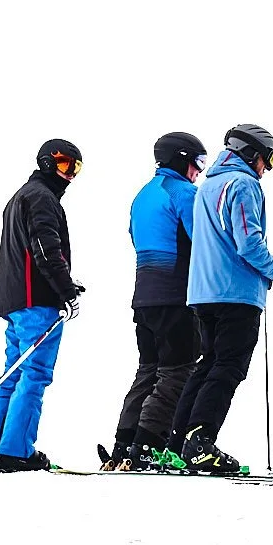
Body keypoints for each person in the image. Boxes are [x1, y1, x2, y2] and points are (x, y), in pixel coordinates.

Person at [170, 124, 273, 476]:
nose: (267, 168)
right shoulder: (242, 184)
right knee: (229, 366)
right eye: (268, 159)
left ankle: (178, 443)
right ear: (251, 154)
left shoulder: (207, 185)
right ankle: (201, 441)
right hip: (234, 293)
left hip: (204, 292)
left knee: (208, 364)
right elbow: (248, 242)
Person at [103, 132, 208, 471]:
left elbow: (134, 237)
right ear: (182, 159)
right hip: (175, 297)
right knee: (177, 371)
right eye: (198, 162)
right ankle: (148, 444)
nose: (199, 171)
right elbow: (202, 242)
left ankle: (125, 442)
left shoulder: (142, 195)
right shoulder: (184, 194)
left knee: (148, 369)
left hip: (143, 297)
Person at [0, 139, 85, 472]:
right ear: (46, 162)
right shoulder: (41, 198)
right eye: (66, 164)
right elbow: (45, 250)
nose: (70, 174)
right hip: (36, 301)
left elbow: (31, 251)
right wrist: (65, 290)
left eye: (76, 168)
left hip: (14, 300)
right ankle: (17, 451)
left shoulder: (21, 197)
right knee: (35, 374)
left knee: (13, 371)